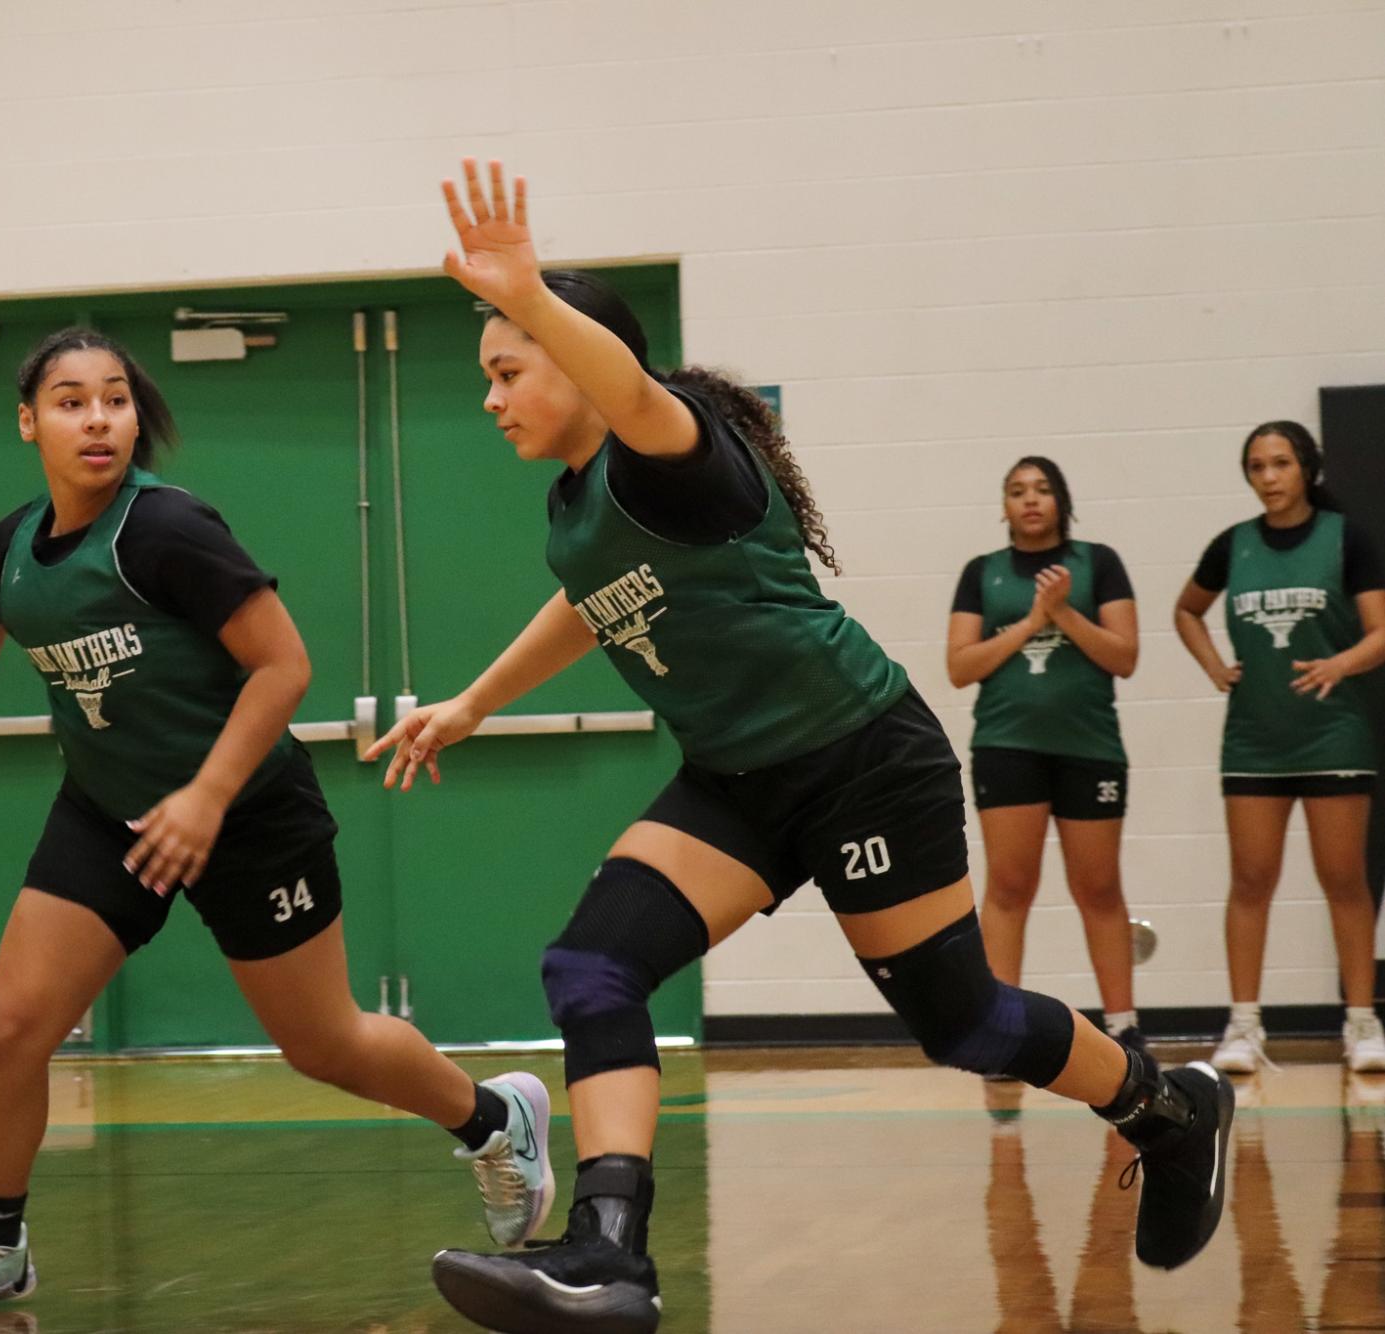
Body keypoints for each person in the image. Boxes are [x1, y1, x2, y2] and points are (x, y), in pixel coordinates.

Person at [369, 160, 1233, 1334]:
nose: (492, 397)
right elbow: (592, 599)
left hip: (862, 755)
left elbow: (627, 388)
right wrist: (474, 701)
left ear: (573, 357)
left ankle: (1166, 1110)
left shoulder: (676, 447)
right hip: (738, 780)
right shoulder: (577, 501)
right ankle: (612, 1255)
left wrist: (529, 291)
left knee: (963, 1022)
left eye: (508, 367)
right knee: (593, 967)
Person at [0, 327, 551, 1318]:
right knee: (13, 1029)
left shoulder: (167, 530)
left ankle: (495, 1117)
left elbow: (283, 665)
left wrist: (204, 795)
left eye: (114, 397)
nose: (98, 417)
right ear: (29, 420)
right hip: (109, 813)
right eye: (70, 400)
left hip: (247, 815)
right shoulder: (14, 548)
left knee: (323, 1044)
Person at [1174, 420, 1385, 1075]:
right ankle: (1242, 1027)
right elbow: (1185, 610)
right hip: (1253, 741)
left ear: (1306, 470)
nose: (1267, 478)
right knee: (1250, 881)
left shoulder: (1345, 539)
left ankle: (1359, 1022)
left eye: (1280, 465)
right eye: (1256, 467)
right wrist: (1213, 665)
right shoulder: (1230, 545)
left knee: (1343, 880)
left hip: (1332, 734)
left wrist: (1339, 665)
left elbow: (1380, 631)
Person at [947, 457, 1145, 1054]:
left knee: (1100, 889)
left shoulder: (1098, 563)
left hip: (1090, 748)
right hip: (1007, 748)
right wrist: (1033, 621)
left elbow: (1124, 656)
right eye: (1016, 491)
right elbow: (960, 667)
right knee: (1008, 888)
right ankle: (1000, 1030)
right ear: (1004, 506)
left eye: (1042, 490)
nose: (1030, 500)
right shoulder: (983, 573)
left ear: (1062, 499)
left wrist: (1062, 614)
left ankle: (1123, 1025)